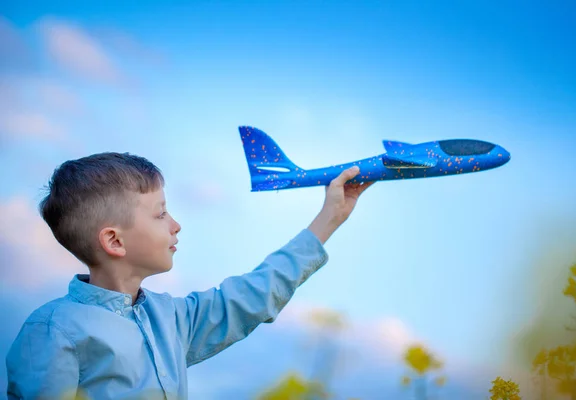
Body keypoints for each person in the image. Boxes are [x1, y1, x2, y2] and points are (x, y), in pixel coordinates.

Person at [5, 152, 373, 400]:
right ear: (114, 240)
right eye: (160, 214)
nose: (176, 225)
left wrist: (329, 220)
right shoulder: (53, 330)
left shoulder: (172, 319)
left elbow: (249, 296)